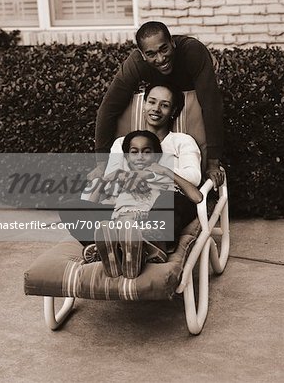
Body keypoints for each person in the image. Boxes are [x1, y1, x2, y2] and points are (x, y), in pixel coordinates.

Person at [59, 83, 202, 274]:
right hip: (124, 209)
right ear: (144, 103)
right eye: (152, 102)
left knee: (169, 200)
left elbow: (194, 177)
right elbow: (110, 183)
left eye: (165, 105)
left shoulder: (182, 141)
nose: (156, 109)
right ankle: (109, 248)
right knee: (70, 207)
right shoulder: (122, 143)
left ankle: (145, 246)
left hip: (165, 204)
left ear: (173, 110)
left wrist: (158, 171)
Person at [92, 21, 224, 189]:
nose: (161, 59)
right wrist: (102, 162)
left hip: (194, 92)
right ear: (142, 54)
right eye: (151, 54)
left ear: (172, 42)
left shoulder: (192, 51)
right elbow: (108, 108)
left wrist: (212, 163)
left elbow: (211, 104)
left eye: (164, 49)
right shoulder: (136, 63)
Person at [84, 129, 202, 278]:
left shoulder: (158, 176)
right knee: (71, 207)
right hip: (120, 224)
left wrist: (166, 171)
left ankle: (136, 251)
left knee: (170, 198)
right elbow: (89, 204)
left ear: (156, 156)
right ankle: (116, 253)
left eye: (146, 152)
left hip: (146, 226)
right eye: (134, 152)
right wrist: (106, 179)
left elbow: (196, 197)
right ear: (126, 157)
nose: (140, 157)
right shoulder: (121, 178)